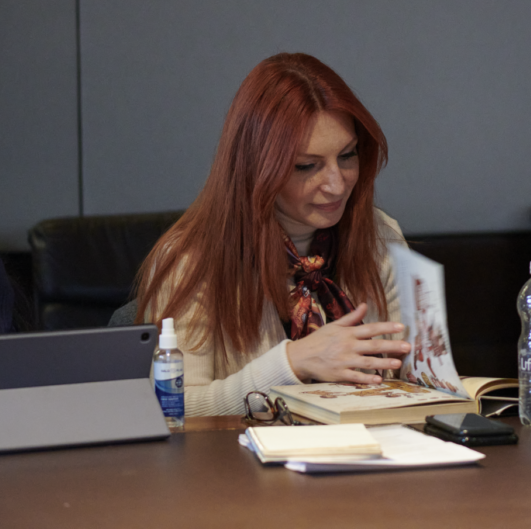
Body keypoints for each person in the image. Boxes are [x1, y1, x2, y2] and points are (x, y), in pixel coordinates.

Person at [136, 53, 411, 416]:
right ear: (257, 168)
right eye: (306, 166)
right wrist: (292, 363)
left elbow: (411, 380)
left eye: (347, 156)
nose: (336, 184)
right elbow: (175, 410)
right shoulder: (191, 259)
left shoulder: (380, 237)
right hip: (239, 470)